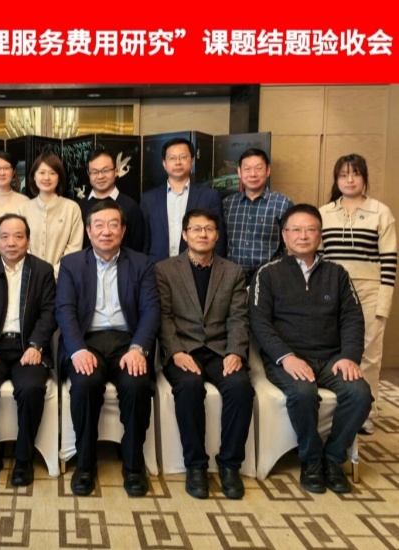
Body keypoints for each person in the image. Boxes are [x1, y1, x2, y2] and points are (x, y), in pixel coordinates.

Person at [249, 203, 372, 494]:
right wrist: (286, 357)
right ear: (284, 235)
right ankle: (311, 458)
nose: (303, 236)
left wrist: (349, 357)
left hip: (332, 359)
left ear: (320, 235)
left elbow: (353, 319)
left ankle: (334, 457)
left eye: (310, 229)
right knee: (303, 393)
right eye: (295, 230)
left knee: (360, 394)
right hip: (287, 359)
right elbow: (259, 322)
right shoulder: (267, 273)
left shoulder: (337, 273)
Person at [56, 199, 160, 497]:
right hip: (87, 342)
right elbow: (64, 310)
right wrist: (77, 350)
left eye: (113, 225)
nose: (106, 231)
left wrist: (138, 348)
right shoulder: (72, 264)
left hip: (127, 342)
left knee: (137, 385)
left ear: (123, 230)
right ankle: (85, 463)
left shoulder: (141, 264)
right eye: (99, 225)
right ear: (88, 231)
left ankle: (133, 464)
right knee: (85, 384)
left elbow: (151, 310)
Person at [155, 208, 253, 500]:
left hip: (220, 349)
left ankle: (230, 465)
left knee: (240, 387)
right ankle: (196, 465)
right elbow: (164, 317)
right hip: (184, 349)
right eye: (196, 229)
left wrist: (235, 351)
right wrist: (175, 351)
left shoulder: (233, 271)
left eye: (209, 229)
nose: (203, 234)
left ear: (217, 235)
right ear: (184, 235)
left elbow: (238, 318)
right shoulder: (165, 270)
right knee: (189, 386)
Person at [0, 214, 57, 487]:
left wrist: (36, 345)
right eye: (4, 236)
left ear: (28, 240)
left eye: (18, 236)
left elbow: (49, 313)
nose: (11, 242)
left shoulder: (42, 271)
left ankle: (24, 458)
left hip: (27, 347)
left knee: (31, 389)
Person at [319, 154, 396, 435]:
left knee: (369, 353)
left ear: (364, 178)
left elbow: (389, 261)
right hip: (332, 290)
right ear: (336, 179)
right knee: (335, 349)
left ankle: (366, 412)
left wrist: (383, 303)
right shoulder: (324, 212)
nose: (349, 180)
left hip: (369, 289)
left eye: (355, 174)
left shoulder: (381, 212)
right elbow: (317, 257)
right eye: (343, 175)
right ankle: (339, 407)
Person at [140, 137, 226, 264]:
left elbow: (218, 239)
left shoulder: (209, 196)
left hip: (197, 267)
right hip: (156, 267)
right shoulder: (148, 199)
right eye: (172, 158)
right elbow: (144, 241)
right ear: (164, 163)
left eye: (183, 157)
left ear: (192, 161)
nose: (178, 162)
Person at [223, 148, 293, 285]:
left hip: (270, 278)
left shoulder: (283, 203)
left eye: (258, 168)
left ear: (268, 170)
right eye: (247, 169)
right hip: (232, 278)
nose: (252, 174)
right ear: (239, 172)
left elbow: (290, 246)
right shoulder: (228, 204)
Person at [16, 152, 83, 279]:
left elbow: (74, 248)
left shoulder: (71, 208)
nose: (47, 177)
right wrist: (36, 272)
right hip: (29, 278)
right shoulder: (23, 209)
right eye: (42, 172)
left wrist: (53, 273)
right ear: (34, 176)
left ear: (59, 177)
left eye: (52, 173)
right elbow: (19, 244)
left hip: (63, 278)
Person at [78, 150, 145, 253]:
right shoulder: (79, 206)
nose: (100, 176)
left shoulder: (131, 206)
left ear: (116, 171)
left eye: (105, 170)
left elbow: (138, 247)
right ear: (89, 174)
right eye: (95, 172)